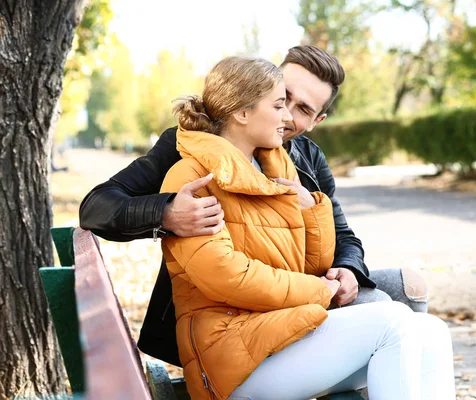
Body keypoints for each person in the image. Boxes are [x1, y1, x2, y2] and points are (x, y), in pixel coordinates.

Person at [79, 45, 429, 368]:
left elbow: (344, 235)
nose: (288, 115)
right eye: (283, 99)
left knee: (405, 290)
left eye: (304, 109)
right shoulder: (191, 146)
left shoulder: (308, 159)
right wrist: (165, 212)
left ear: (317, 121)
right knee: (383, 313)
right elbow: (97, 207)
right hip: (232, 316)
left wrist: (348, 270)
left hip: (300, 289)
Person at [161, 55, 455, 400]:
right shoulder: (191, 178)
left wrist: (310, 208)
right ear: (242, 113)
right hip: (229, 358)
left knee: (430, 330)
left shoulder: (275, 168)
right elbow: (228, 277)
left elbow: (313, 262)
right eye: (279, 104)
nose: (287, 118)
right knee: (392, 323)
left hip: (278, 334)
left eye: (296, 108)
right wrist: (321, 291)